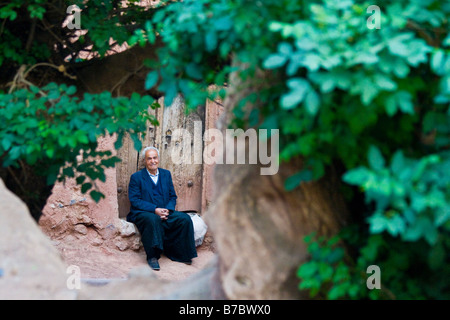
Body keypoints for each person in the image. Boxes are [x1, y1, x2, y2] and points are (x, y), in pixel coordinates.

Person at [126, 146, 197, 270]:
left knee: (184, 219)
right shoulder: (136, 177)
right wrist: (155, 210)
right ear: (145, 161)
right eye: (149, 159)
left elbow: (172, 196)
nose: (153, 161)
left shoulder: (166, 174)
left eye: (155, 158)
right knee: (153, 220)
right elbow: (135, 200)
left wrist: (167, 210)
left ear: (158, 159)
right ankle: (152, 256)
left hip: (164, 210)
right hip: (144, 212)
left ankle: (180, 254)